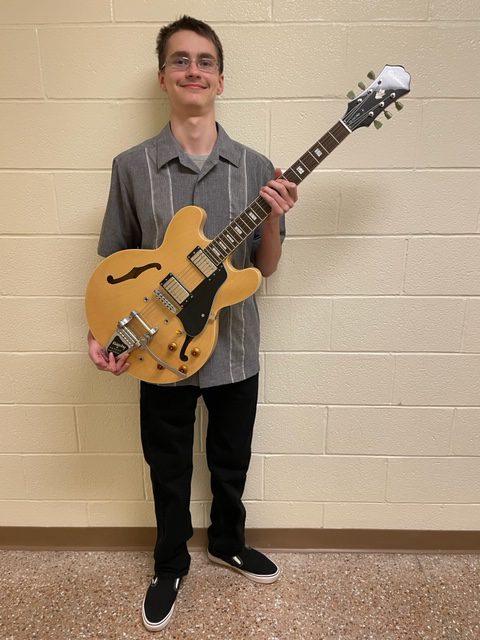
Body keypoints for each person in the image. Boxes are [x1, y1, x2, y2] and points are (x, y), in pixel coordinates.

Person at [87, 15, 297, 632]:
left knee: (232, 459)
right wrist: (102, 333)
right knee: (168, 462)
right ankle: (170, 561)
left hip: (233, 346)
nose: (193, 70)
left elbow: (266, 268)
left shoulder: (259, 167)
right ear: (163, 77)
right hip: (157, 350)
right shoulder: (131, 166)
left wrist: (277, 219)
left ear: (221, 80)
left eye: (204, 61)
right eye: (181, 60)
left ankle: (228, 541)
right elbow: (115, 263)